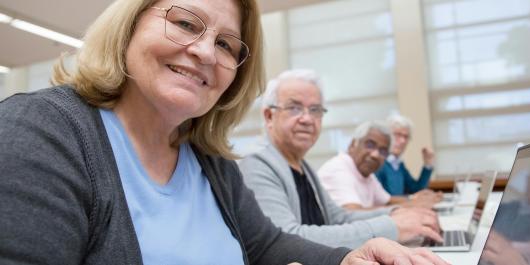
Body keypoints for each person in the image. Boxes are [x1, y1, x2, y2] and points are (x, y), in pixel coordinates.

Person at [0, 0, 450, 265]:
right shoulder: (42, 133)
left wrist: (347, 257)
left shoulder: (210, 162)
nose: (203, 52)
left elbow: (268, 243)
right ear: (129, 25)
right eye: (184, 23)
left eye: (225, 45)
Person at [239, 69, 443, 249]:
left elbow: (338, 218)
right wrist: (391, 227)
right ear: (268, 116)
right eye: (294, 107)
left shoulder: (302, 166)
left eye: (315, 110)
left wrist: (396, 213)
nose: (307, 119)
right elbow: (287, 239)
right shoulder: (256, 163)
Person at [318, 121, 440, 210]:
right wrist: (413, 204)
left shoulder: (366, 173)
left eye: (383, 151)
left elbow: (387, 201)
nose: (376, 155)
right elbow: (353, 214)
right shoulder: (339, 169)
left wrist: (416, 200)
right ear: (352, 145)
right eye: (370, 145)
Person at [375, 114, 437, 197]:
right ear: (386, 136)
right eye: (397, 135)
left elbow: (417, 190)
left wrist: (427, 164)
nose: (403, 141)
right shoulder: (377, 163)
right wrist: (410, 200)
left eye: (406, 137)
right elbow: (385, 200)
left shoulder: (398, 164)